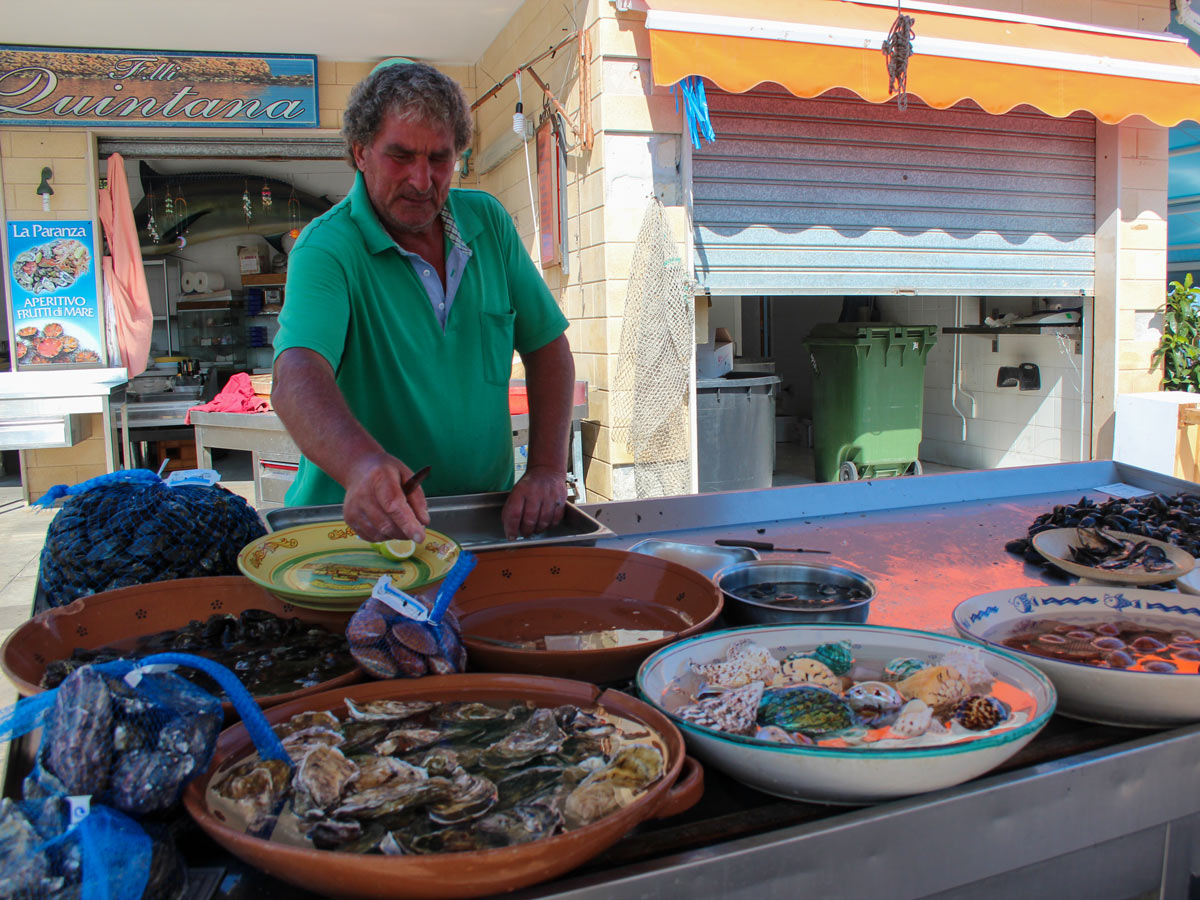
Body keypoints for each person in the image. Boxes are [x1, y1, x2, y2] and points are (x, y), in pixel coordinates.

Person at [271, 60, 575, 542]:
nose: (421, 179)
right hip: (354, 534)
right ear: (361, 153)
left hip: (481, 520)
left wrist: (545, 468)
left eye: (439, 158)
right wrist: (362, 466)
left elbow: (547, 347)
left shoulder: (488, 223)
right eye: (400, 156)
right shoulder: (326, 248)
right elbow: (296, 378)